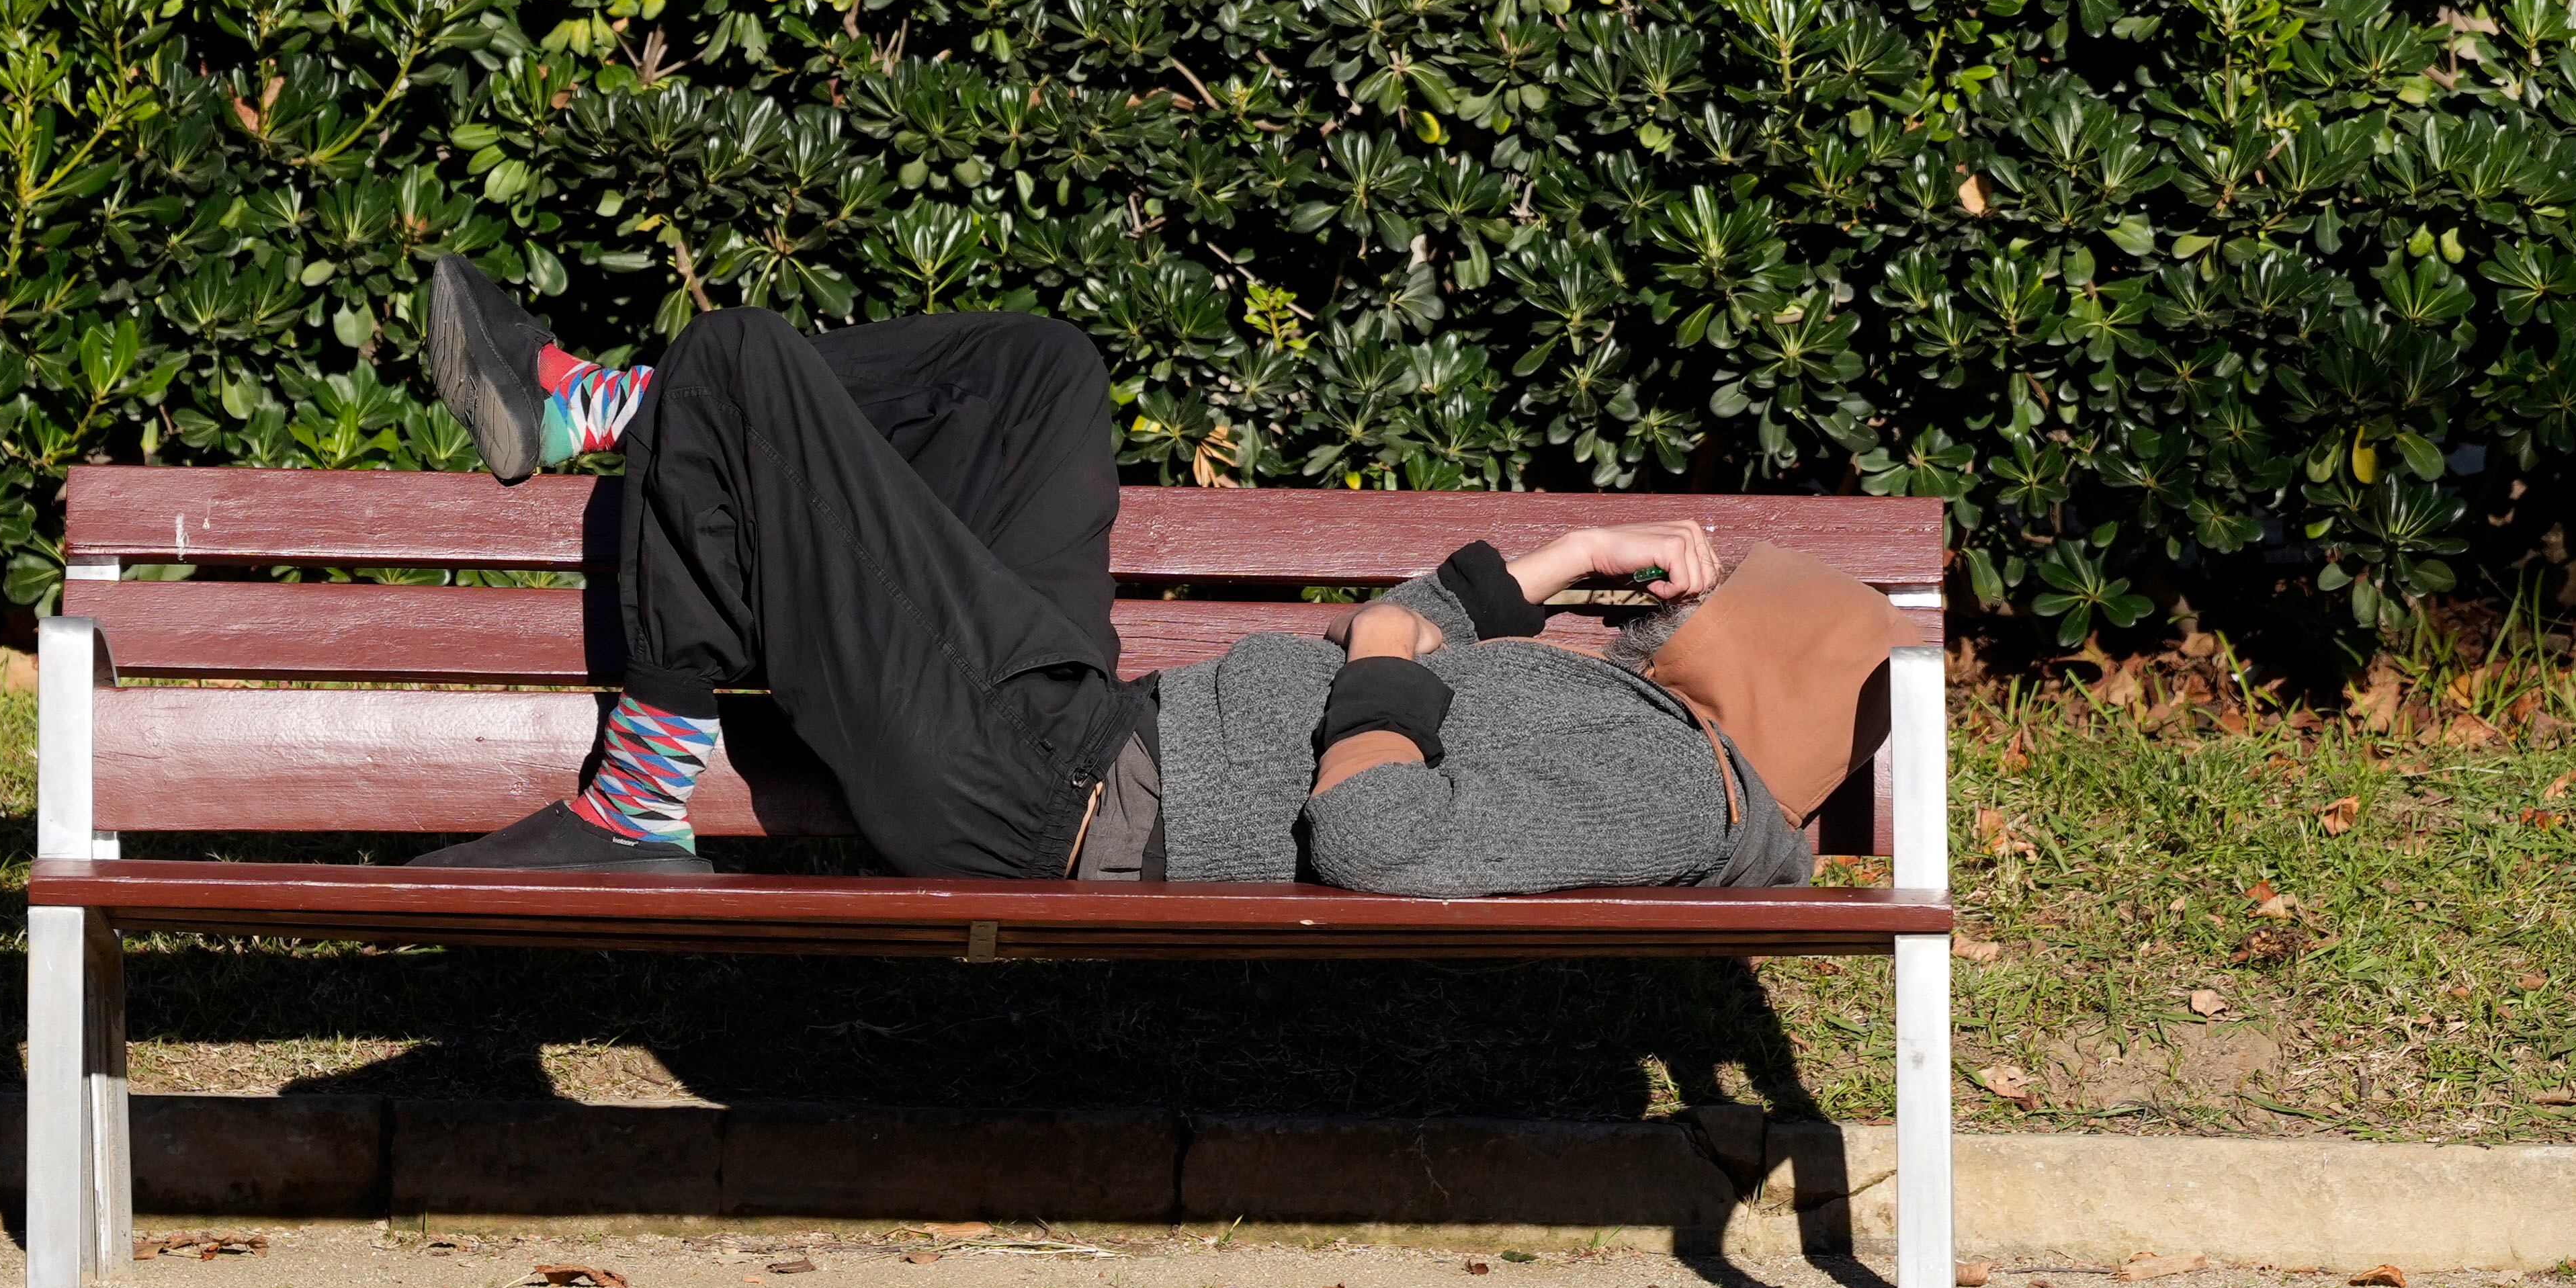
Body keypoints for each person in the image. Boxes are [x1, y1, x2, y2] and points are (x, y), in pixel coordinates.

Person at [414, 257, 1899, 893]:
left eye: (1709, 596)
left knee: (740, 358)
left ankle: (637, 796)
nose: (1680, 592)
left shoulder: (1674, 787)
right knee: (1035, 370)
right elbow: (1407, 648)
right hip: (1078, 727)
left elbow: (1381, 837)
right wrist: (1562, 559)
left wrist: (1390, 654)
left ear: (1750, 663)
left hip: (1040, 791)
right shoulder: (1640, 724)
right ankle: (656, 436)